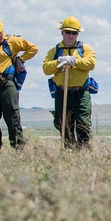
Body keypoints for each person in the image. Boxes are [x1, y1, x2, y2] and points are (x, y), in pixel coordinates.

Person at [0, 16, 38, 151]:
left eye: (0, 32)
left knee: (12, 116)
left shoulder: (12, 41)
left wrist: (20, 59)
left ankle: (18, 147)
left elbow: (33, 48)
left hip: (7, 84)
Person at [42, 17, 97, 148]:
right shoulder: (54, 51)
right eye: (68, 32)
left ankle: (83, 150)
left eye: (74, 33)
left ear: (78, 34)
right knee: (63, 124)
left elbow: (91, 63)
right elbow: (46, 68)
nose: (70, 35)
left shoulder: (84, 48)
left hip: (81, 93)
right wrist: (58, 62)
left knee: (83, 123)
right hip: (63, 92)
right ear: (62, 32)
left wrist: (76, 61)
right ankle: (69, 150)